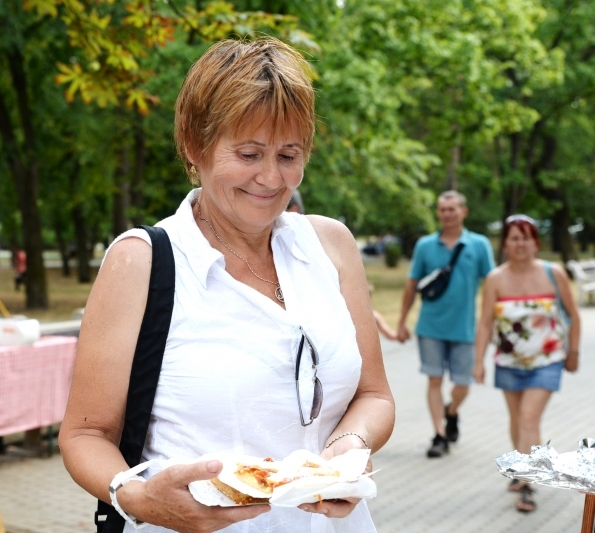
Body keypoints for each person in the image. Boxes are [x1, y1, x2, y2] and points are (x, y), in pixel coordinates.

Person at [58, 38, 395, 533]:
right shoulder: (142, 261)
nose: (271, 178)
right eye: (249, 153)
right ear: (195, 146)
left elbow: (374, 395)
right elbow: (86, 434)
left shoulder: (331, 246)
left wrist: (349, 446)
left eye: (288, 155)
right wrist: (141, 499)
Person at [472, 214, 580, 513]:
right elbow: (485, 323)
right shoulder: (496, 278)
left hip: (547, 361)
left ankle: (528, 485)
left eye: (526, 237)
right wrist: (478, 361)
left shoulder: (553, 273)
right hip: (508, 361)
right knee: (517, 419)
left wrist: (574, 352)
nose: (520, 244)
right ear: (505, 243)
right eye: (514, 238)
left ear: (536, 243)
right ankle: (520, 469)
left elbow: (573, 315)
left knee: (529, 419)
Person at [396, 190, 495, 458]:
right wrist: (402, 322)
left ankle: (451, 412)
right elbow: (412, 285)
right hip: (430, 327)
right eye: (442, 209)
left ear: (464, 212)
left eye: (452, 209)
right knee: (434, 380)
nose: (447, 214)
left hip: (465, 328)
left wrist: (493, 323)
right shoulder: (425, 245)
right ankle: (439, 435)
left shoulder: (479, 244)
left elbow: (493, 284)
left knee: (463, 384)